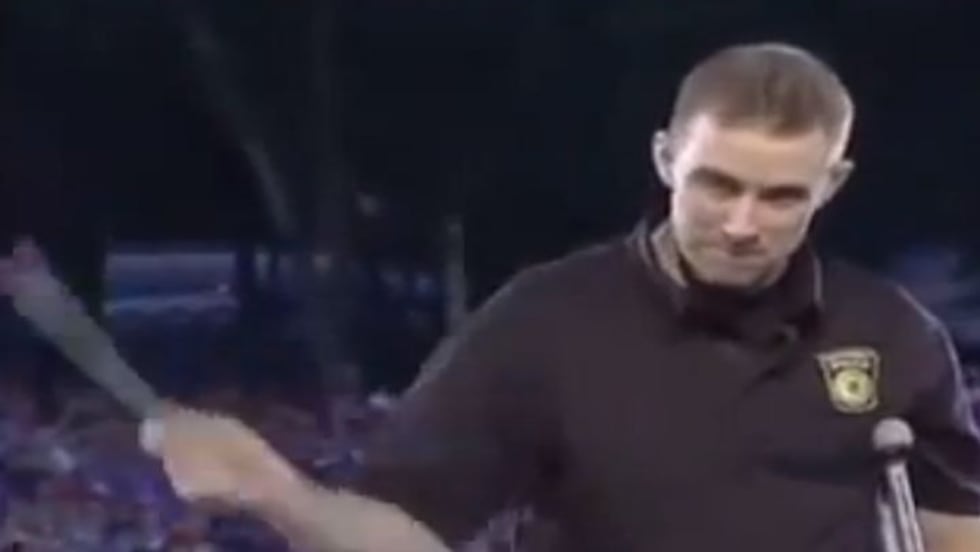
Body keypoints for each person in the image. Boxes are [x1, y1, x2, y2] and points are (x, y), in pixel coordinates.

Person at [148, 42, 980, 551]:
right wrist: (278, 493)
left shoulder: (892, 334)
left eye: (780, 197)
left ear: (832, 184)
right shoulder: (545, 322)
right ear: (665, 158)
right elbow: (409, 527)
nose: (741, 223)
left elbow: (954, 532)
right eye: (716, 184)